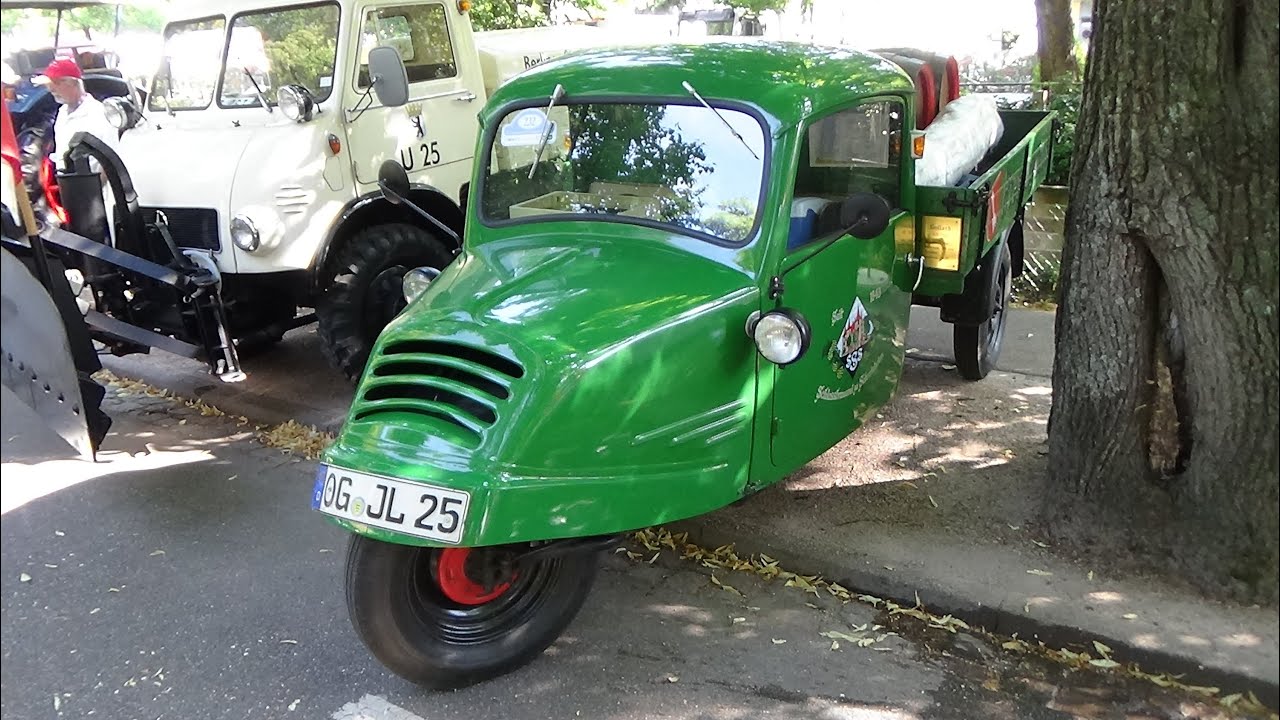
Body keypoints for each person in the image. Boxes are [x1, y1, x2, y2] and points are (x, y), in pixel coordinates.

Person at [34, 58, 118, 171]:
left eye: (57, 83)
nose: (51, 89)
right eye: (49, 84)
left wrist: (94, 187)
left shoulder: (99, 114)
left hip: (94, 185)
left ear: (74, 83)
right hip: (69, 183)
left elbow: (112, 159)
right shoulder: (62, 113)